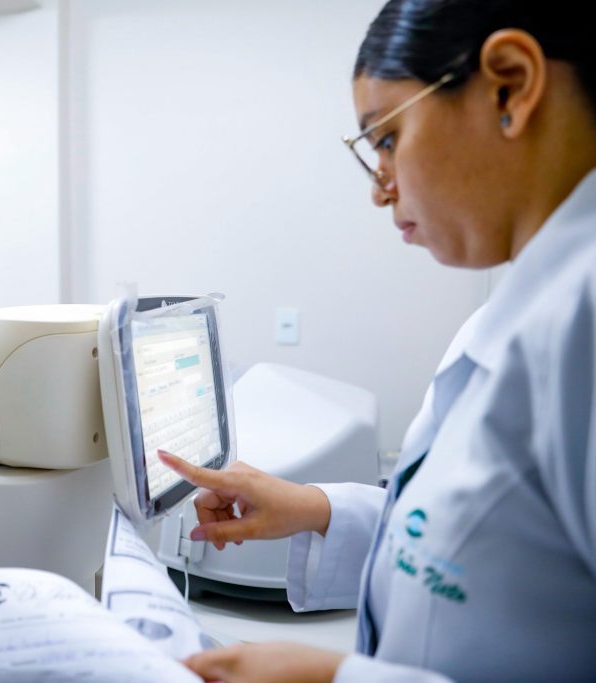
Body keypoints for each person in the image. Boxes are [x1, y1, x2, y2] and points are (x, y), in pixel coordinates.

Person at [160, 1, 596, 681]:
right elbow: (490, 548)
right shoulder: (523, 306)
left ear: (510, 86)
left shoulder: (581, 316)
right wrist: (313, 508)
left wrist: (332, 677)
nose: (380, 189)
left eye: (387, 139)